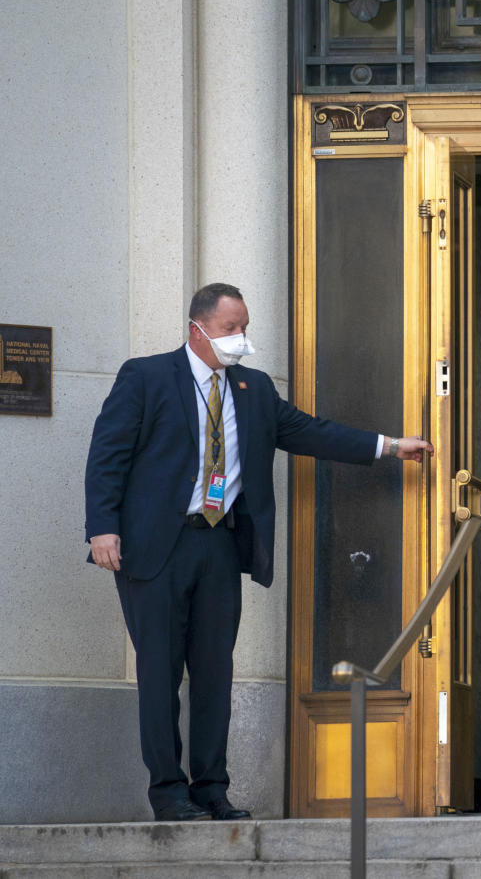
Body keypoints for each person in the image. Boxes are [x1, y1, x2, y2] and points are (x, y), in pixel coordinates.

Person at [85, 282, 433, 822]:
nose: (240, 338)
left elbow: (310, 432)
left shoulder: (253, 388)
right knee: (159, 673)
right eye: (230, 329)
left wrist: (389, 446)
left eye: (244, 327)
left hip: (221, 545)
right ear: (197, 329)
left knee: (214, 672)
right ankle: (168, 793)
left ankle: (211, 789)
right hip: (156, 547)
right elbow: (108, 454)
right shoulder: (147, 376)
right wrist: (102, 528)